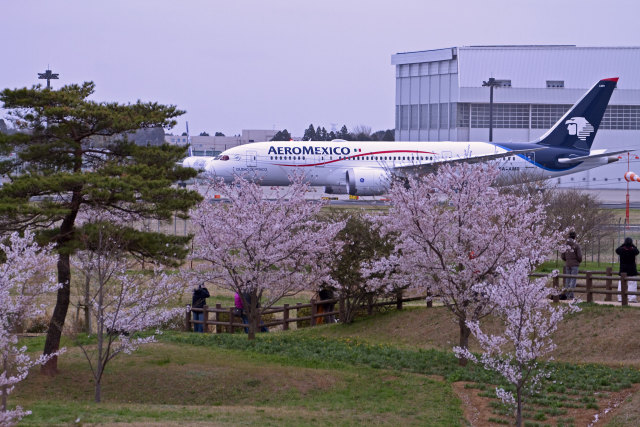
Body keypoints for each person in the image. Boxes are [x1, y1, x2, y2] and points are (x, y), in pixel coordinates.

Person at [616, 237, 639, 303]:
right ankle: (632, 298)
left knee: (621, 284)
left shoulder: (621, 250)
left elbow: (617, 250)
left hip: (623, 270)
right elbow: (637, 251)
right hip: (632, 270)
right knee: (632, 285)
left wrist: (623, 245)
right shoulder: (633, 250)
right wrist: (632, 245)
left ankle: (620, 298)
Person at [561, 231, 582, 300]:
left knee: (567, 279)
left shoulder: (565, 245)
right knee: (573, 280)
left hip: (567, 264)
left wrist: (567, 260)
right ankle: (570, 295)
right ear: (575, 237)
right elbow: (579, 256)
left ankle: (567, 294)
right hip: (574, 264)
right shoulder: (576, 245)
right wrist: (578, 261)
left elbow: (562, 256)